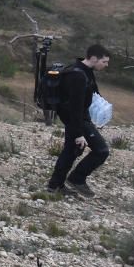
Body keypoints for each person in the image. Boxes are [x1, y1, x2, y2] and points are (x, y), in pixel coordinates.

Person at [46, 44, 111, 197]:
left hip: (78, 120)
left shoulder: (85, 71)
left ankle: (55, 185)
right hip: (78, 121)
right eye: (104, 61)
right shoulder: (78, 76)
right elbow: (75, 107)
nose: (106, 65)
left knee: (70, 151)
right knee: (101, 151)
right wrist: (78, 133)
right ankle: (77, 179)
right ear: (94, 58)